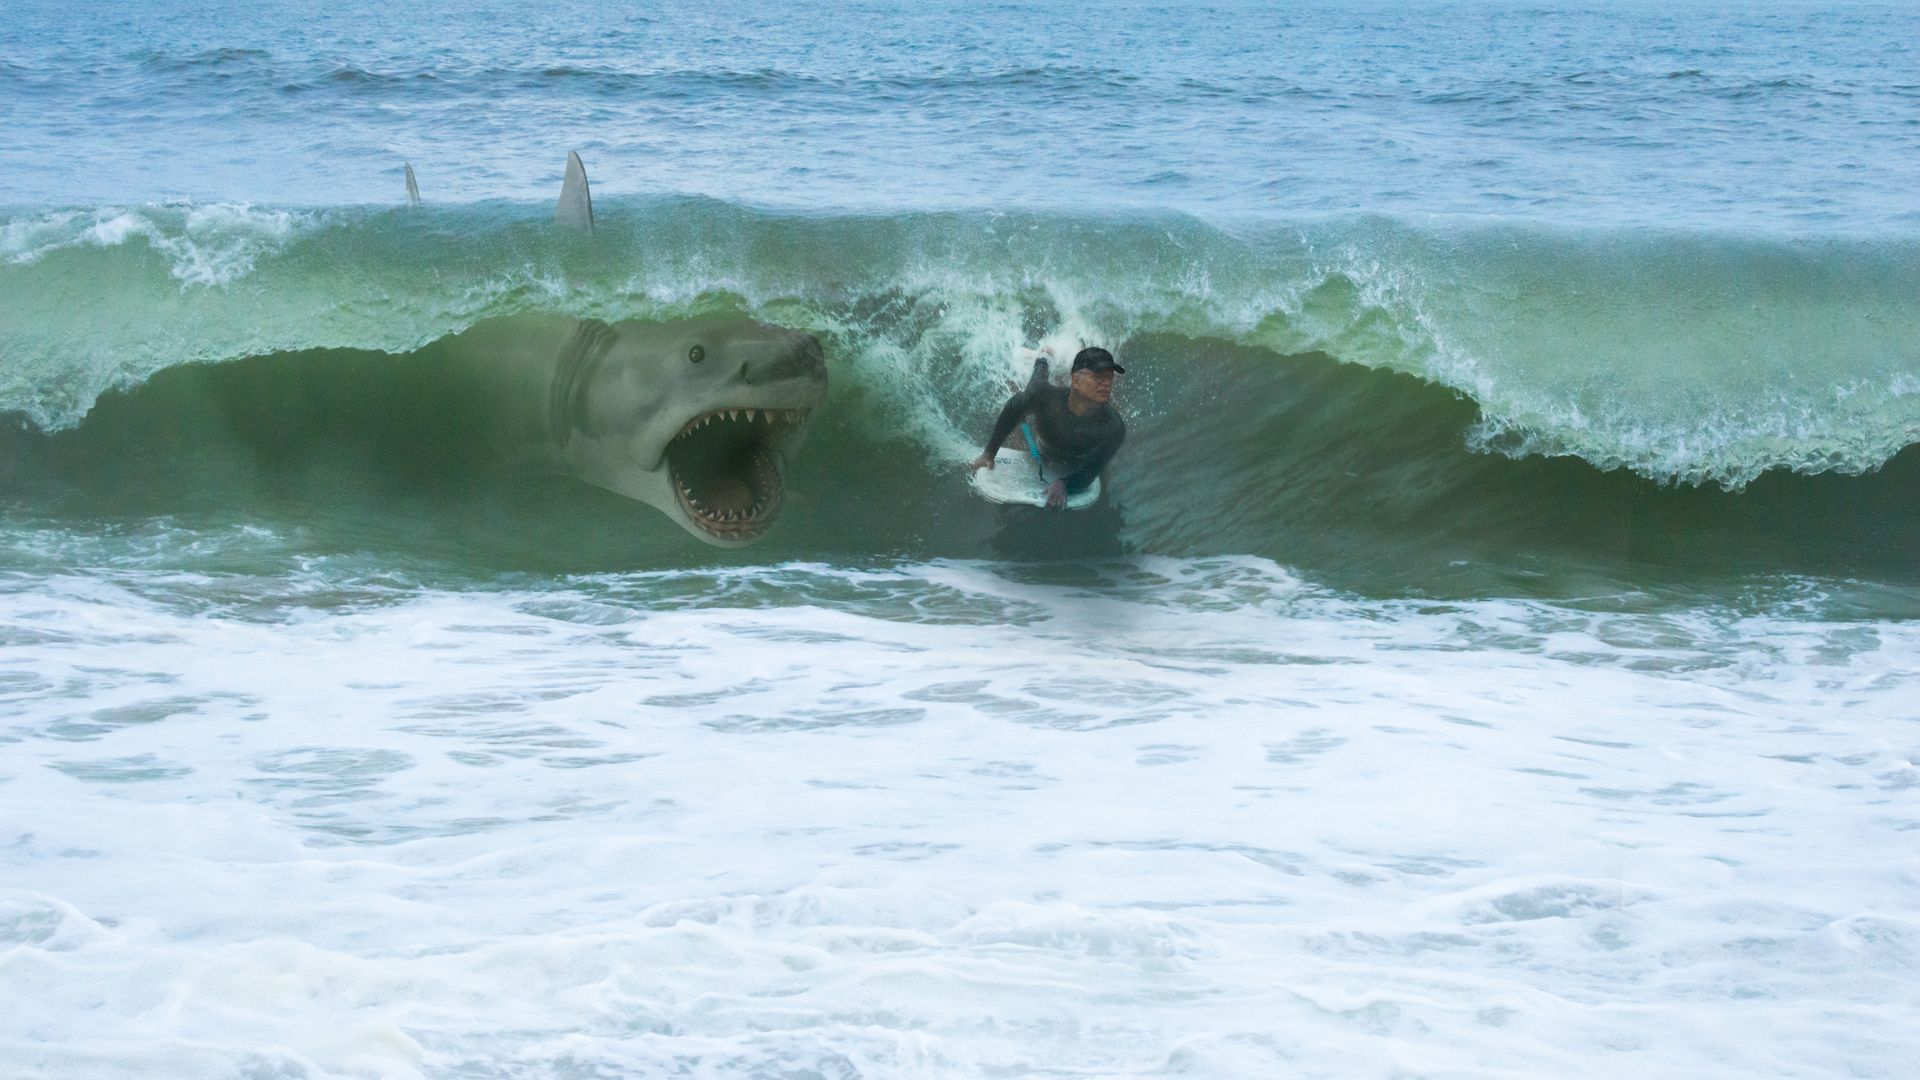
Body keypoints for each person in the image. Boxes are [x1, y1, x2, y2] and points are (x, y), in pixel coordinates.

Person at [969, 346, 1126, 509]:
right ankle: (1043, 358)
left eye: (1109, 377)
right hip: (1044, 445)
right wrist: (989, 452)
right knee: (1032, 388)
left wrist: (1065, 484)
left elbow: (1091, 470)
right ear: (1076, 380)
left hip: (1076, 462)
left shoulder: (1112, 427)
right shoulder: (1046, 398)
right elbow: (1013, 408)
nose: (1107, 383)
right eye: (1098, 377)